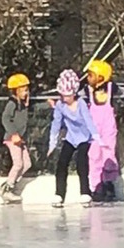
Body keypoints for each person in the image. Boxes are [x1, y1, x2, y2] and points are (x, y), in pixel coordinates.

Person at [46, 68, 92, 208]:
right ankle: (59, 194)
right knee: (62, 163)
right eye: (62, 95)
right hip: (71, 137)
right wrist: (52, 143)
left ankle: (85, 192)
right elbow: (56, 124)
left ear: (73, 93)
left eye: (67, 95)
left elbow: (89, 122)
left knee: (81, 162)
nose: (64, 98)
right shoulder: (60, 105)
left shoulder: (82, 104)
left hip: (85, 137)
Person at [84, 57, 124, 203]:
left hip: (108, 127)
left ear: (101, 77)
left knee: (108, 153)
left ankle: (109, 182)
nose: (88, 78)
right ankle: (96, 185)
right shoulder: (86, 90)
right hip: (93, 128)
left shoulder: (111, 88)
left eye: (91, 75)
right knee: (94, 155)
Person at [0, 73, 36, 201]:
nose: (26, 92)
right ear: (16, 91)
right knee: (18, 163)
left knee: (27, 164)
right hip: (12, 138)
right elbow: (5, 118)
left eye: (26, 90)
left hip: (20, 138)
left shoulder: (23, 103)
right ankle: (7, 188)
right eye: (23, 90)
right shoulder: (12, 103)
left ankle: (9, 184)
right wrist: (13, 133)